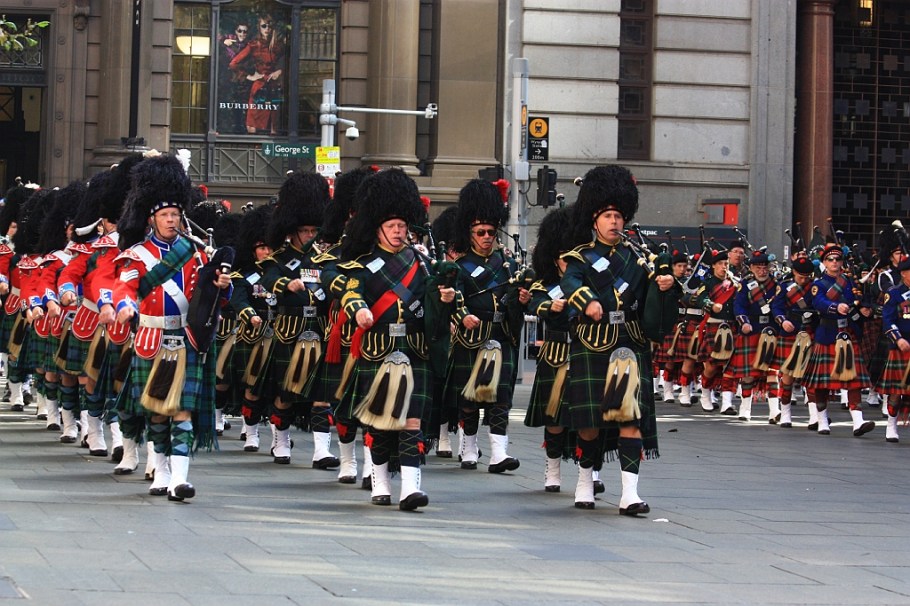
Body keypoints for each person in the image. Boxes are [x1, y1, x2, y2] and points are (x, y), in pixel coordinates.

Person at [112, 153, 232, 501]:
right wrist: (124, 306)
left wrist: (222, 286)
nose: (171, 220)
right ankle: (161, 471)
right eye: (165, 215)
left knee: (182, 411)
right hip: (151, 337)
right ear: (152, 218)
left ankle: (179, 479)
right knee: (157, 413)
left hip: (186, 338)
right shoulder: (136, 255)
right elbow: (124, 287)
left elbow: (212, 297)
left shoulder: (197, 254)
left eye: (176, 215)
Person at [337, 168, 455, 510]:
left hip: (413, 350)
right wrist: (359, 309)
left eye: (402, 225)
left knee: (411, 421)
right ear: (378, 228)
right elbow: (350, 292)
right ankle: (380, 482)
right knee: (380, 424)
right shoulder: (362, 264)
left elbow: (436, 297)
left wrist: (448, 301)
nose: (398, 231)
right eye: (392, 226)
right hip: (378, 350)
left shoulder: (422, 262)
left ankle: (410, 489)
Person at [560, 165, 674, 513]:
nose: (614, 222)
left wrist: (665, 285)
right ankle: (585, 481)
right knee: (590, 423)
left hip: (630, 342)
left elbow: (655, 299)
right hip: (593, 343)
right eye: (608, 216)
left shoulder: (639, 259)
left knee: (631, 418)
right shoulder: (579, 258)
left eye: (619, 216)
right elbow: (569, 283)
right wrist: (586, 301)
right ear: (595, 221)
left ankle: (629, 494)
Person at [443, 178, 528, 474]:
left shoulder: (508, 265)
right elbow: (454, 299)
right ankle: (468, 448)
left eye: (491, 232)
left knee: (500, 398)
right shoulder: (460, 266)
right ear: (470, 233)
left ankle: (498, 454)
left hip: (501, 335)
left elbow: (515, 302)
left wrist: (521, 300)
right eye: (481, 232)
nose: (487, 237)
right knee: (469, 398)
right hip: (472, 337)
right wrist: (462, 316)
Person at [257, 170, 336, 468]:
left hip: (319, 329)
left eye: (314, 229)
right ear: (292, 230)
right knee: (286, 392)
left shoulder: (326, 259)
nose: (310, 235)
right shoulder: (278, 259)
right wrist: (286, 285)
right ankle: (280, 440)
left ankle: (321, 451)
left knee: (322, 393)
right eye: (304, 230)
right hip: (291, 330)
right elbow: (267, 279)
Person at [523, 205, 574, 493]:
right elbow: (535, 303)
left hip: (585, 350)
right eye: (564, 257)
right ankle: (552, 469)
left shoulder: (590, 284)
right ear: (555, 259)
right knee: (554, 416)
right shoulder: (545, 284)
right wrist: (549, 307)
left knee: (587, 416)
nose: (569, 262)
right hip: (555, 353)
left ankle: (590, 471)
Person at [801, 243, 875, 437]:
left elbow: (859, 300)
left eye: (837, 259)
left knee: (853, 380)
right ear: (824, 263)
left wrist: (864, 309)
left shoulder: (849, 282)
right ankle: (822, 420)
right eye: (830, 259)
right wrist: (835, 307)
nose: (834, 262)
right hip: (828, 334)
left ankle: (858, 422)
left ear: (842, 262)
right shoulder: (818, 285)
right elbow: (819, 303)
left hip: (848, 333)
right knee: (822, 383)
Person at [229, 202, 275, 453]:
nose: (266, 252)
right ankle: (252, 432)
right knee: (252, 387)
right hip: (253, 335)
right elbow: (238, 300)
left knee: (278, 388)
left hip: (279, 333)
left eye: (269, 247)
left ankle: (279, 437)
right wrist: (250, 315)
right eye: (261, 247)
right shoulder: (244, 276)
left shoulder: (281, 273)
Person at [727, 249, 780, 422]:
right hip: (752, 329)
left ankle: (775, 411)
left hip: (771, 330)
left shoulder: (777, 285)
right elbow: (739, 306)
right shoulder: (745, 285)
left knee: (772, 371)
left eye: (765, 268)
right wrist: (744, 322)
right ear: (751, 268)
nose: (762, 271)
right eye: (758, 268)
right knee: (748, 373)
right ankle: (745, 409)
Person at [769, 253, 817, 428]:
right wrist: (783, 321)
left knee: (811, 375)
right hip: (790, 334)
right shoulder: (784, 287)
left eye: (806, 277)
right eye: (800, 276)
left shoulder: (814, 287)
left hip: (809, 333)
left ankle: (814, 416)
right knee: (787, 376)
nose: (803, 280)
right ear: (794, 272)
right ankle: (786, 413)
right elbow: (776, 307)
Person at [694, 249, 739, 414]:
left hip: (732, 327)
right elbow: (700, 298)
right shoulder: (707, 283)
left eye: (726, 263)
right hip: (714, 326)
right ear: (713, 266)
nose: (723, 267)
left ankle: (727, 403)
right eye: (720, 264)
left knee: (730, 366)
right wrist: (711, 305)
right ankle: (705, 394)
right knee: (711, 367)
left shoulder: (734, 283)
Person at [229, 13, 285, 135]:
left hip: (274, 87)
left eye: (269, 26)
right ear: (259, 28)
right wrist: (249, 76)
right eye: (264, 26)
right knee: (252, 125)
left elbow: (288, 62)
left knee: (273, 126)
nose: (267, 29)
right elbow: (233, 63)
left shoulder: (279, 45)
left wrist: (280, 71)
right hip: (259, 87)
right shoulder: (254, 45)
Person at [878, 254, 910, 443]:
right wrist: (898, 339)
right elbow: (887, 320)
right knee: (896, 392)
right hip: (901, 346)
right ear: (904, 273)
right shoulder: (894, 293)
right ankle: (891, 424)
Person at [217, 21, 251, 134]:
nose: (242, 34)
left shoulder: (249, 46)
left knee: (240, 106)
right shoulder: (228, 41)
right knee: (225, 105)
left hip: (241, 81)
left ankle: (239, 129)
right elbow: (214, 44)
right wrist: (223, 43)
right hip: (226, 80)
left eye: (245, 31)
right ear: (236, 31)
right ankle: (223, 128)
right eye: (240, 31)